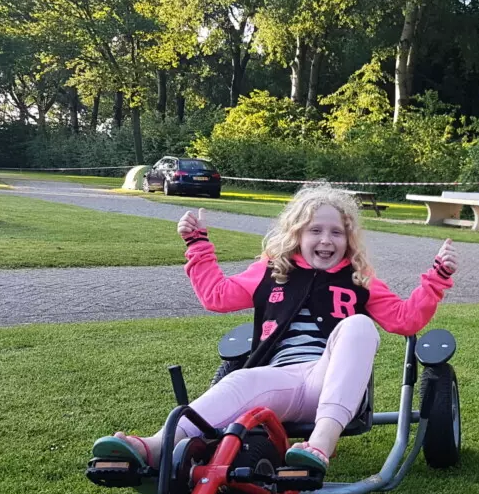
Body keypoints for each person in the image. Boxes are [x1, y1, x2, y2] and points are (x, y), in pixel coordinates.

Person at [91, 184, 458, 475]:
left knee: (359, 325)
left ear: (349, 240)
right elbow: (217, 296)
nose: (326, 240)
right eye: (315, 230)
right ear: (297, 234)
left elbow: (406, 320)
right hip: (280, 379)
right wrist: (198, 246)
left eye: (337, 232)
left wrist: (437, 277)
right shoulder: (272, 272)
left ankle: (321, 443)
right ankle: (156, 446)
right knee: (238, 379)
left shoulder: (359, 279)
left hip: (331, 380)